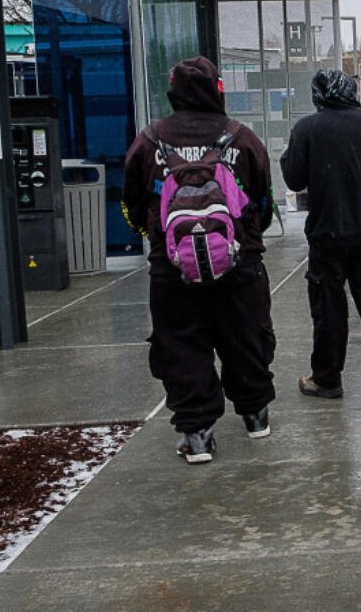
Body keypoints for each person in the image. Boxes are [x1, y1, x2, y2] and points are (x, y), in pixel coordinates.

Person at [122, 56, 276, 464]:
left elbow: (132, 204)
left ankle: (198, 435)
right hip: (240, 266)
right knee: (246, 336)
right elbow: (263, 199)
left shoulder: (150, 140)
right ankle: (255, 413)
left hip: (172, 270)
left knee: (181, 345)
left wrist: (163, 243)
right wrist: (245, 238)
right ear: (217, 89)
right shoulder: (241, 138)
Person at [281, 68, 361, 408]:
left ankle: (326, 379)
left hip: (327, 235)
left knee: (329, 309)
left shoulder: (307, 128)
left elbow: (293, 179)